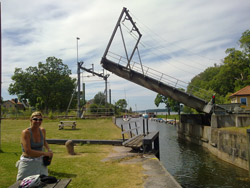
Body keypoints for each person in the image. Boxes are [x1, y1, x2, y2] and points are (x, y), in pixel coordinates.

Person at [16, 111, 53, 180]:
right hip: (28, 162)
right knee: (22, 183)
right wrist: (44, 153)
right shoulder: (26, 132)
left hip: (40, 162)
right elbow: (28, 151)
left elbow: (44, 141)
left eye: (40, 119)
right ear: (31, 120)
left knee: (43, 182)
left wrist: (49, 150)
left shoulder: (42, 130)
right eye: (35, 119)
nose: (38, 121)